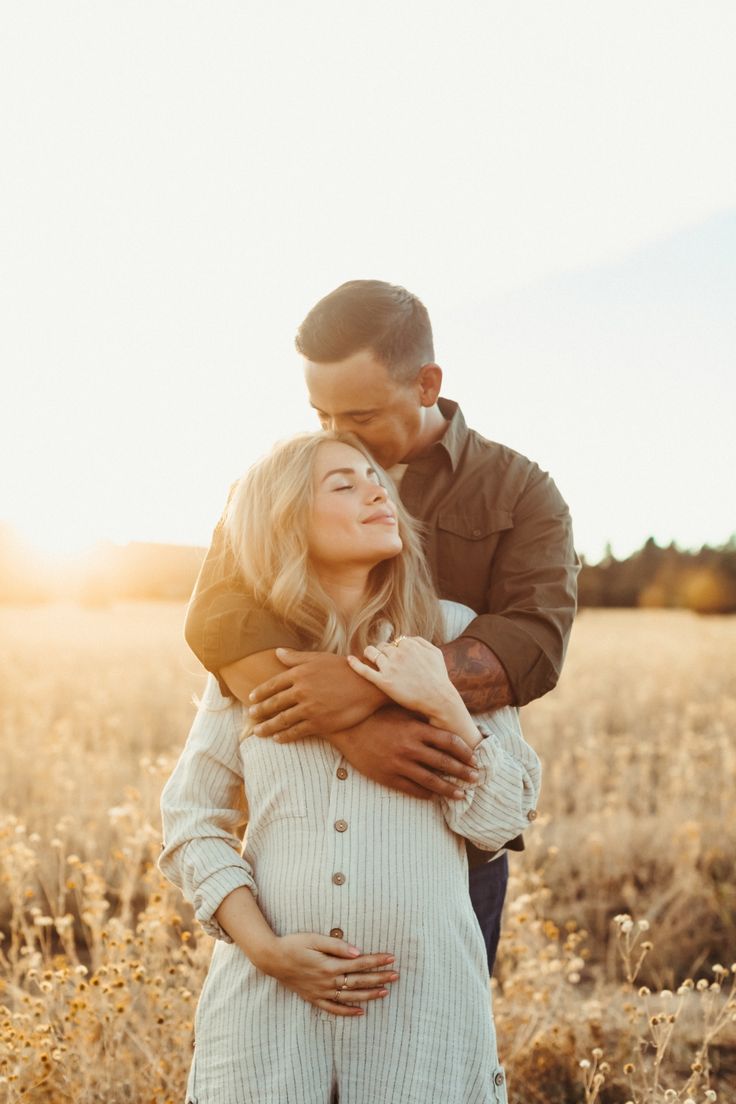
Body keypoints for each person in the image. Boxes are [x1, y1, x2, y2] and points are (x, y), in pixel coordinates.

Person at [185, 280, 579, 971]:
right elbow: (218, 618)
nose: (337, 435)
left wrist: (364, 685)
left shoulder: (520, 490)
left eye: (360, 415)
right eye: (321, 413)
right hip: (297, 832)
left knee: (431, 1039)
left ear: (427, 383)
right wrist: (351, 730)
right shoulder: (278, 480)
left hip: (445, 821)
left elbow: (533, 645)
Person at [159, 431, 541, 1103]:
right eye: (343, 483)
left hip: (424, 1024)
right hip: (266, 1024)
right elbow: (192, 821)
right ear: (284, 521)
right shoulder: (250, 657)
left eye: (376, 479)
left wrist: (442, 700)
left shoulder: (453, 633)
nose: (376, 489)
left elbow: (503, 820)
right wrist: (268, 951)